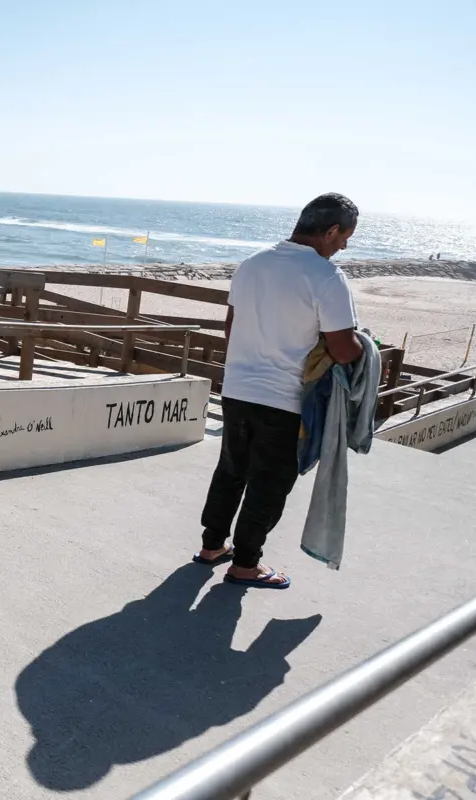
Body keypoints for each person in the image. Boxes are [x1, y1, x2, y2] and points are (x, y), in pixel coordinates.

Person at [195, 193, 363, 589]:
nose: (344, 247)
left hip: (237, 388)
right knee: (269, 483)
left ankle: (212, 547)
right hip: (284, 399)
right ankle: (246, 566)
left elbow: (231, 329)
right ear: (332, 230)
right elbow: (342, 350)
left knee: (231, 470)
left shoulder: (251, 265)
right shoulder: (326, 277)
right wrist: (367, 347)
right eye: (344, 238)